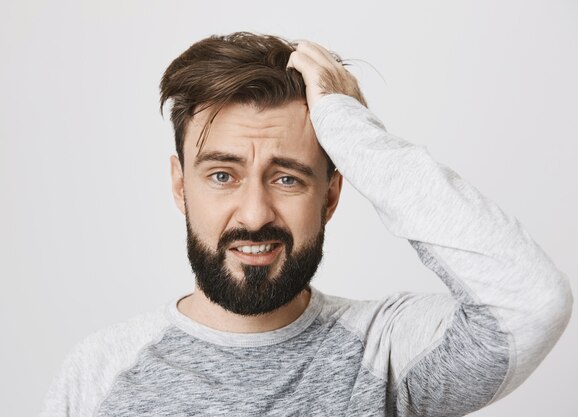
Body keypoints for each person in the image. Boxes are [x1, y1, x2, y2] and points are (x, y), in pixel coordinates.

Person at [39, 32, 573, 416]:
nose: (254, 215)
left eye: (288, 179)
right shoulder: (99, 375)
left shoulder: (385, 354)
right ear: (180, 185)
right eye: (223, 175)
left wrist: (352, 131)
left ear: (333, 194)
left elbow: (531, 301)